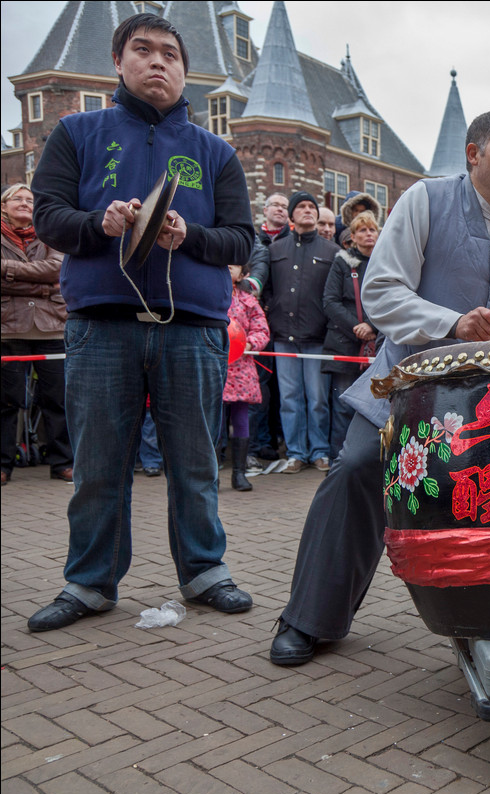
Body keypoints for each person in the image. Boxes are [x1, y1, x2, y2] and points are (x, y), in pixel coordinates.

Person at [268, 109, 490, 665]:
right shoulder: (425, 201)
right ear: (473, 154)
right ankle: (311, 618)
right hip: (409, 384)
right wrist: (450, 324)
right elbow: (380, 290)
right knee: (356, 471)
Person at [26, 12, 255, 631]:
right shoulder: (76, 133)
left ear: (186, 70)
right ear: (118, 62)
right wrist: (98, 224)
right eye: (143, 50)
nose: (158, 63)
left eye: (171, 55)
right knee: (98, 462)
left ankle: (206, 572)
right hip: (101, 325)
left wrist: (191, 236)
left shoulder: (216, 152)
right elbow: (46, 217)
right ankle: (91, 582)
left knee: (196, 461)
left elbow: (241, 240)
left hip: (194, 327)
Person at [258, 191, 339, 473]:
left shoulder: (332, 252)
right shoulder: (275, 250)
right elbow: (266, 289)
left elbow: (336, 295)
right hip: (283, 337)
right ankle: (295, 452)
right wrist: (272, 309)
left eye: (311, 207)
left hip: (318, 338)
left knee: (318, 399)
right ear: (291, 216)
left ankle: (319, 451)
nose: (307, 211)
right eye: (301, 207)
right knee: (290, 398)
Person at [1, 183, 72, 486]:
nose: (24, 203)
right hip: (8, 326)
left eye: (30, 199)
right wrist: (42, 285)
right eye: (17, 198)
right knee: (5, 402)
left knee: (58, 400)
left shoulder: (50, 233)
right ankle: (3, 465)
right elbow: (48, 277)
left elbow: (58, 270)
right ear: (3, 205)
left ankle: (63, 463)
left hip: (52, 325)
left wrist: (10, 274)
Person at [321, 211, 381, 458]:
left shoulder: (385, 261)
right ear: (353, 236)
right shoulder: (342, 262)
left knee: (375, 406)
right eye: (363, 230)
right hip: (344, 344)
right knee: (343, 406)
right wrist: (357, 328)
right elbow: (330, 301)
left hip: (378, 344)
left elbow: (392, 298)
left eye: (372, 230)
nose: (369, 234)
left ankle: (370, 462)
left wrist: (372, 326)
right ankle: (339, 461)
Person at [224, 262, 270, 491]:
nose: (228, 268)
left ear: (243, 274)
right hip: (214, 365)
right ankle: (210, 474)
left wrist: (250, 342)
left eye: (234, 266)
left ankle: (239, 473)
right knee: (213, 422)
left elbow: (262, 329)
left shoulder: (248, 300)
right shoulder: (210, 295)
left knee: (241, 418)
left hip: (241, 368)